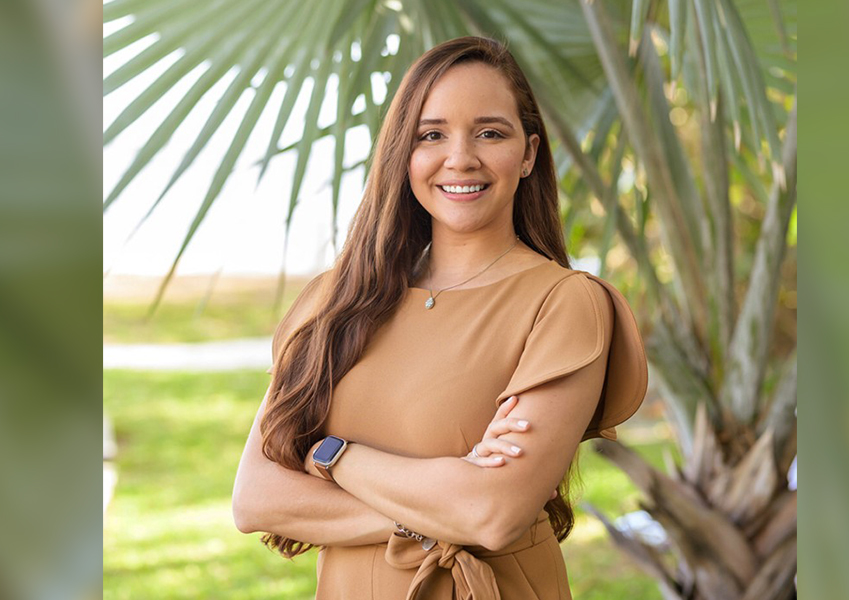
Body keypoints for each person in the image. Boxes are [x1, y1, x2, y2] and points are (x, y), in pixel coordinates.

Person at [232, 36, 648, 599]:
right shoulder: (334, 300)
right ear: (404, 153)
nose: (461, 158)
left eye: (490, 133)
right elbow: (257, 499)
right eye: (432, 134)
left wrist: (330, 455)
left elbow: (493, 513)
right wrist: (440, 505)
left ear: (528, 154)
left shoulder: (564, 302)